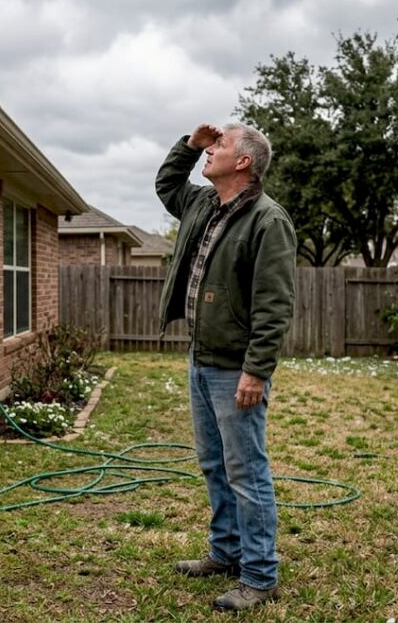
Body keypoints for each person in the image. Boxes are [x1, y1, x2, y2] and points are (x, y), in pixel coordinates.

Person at [155, 123, 296, 612]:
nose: (211, 150)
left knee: (245, 470)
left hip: (235, 368)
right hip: (200, 358)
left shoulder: (267, 220)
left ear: (243, 162)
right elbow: (167, 186)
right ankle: (226, 552)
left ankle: (259, 576)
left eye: (219, 146)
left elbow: (274, 304)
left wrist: (255, 371)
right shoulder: (202, 206)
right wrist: (189, 145)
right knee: (214, 464)